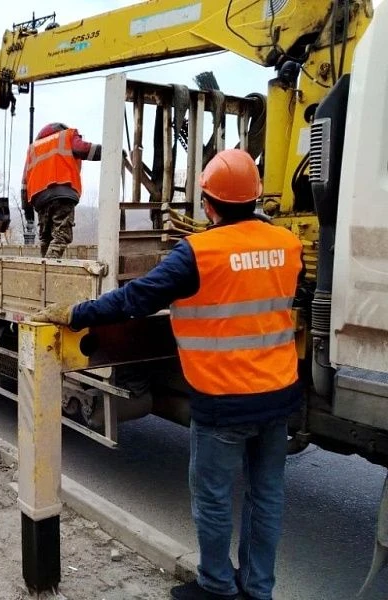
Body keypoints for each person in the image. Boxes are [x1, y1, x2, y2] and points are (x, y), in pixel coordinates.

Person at [31, 149, 303, 600]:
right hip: (278, 396)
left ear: (210, 205)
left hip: (224, 401)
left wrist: (76, 312)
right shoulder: (286, 243)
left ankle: (217, 587)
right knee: (266, 496)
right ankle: (258, 590)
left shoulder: (200, 253)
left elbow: (134, 299)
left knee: (214, 499)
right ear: (255, 199)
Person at [21, 122, 102, 259]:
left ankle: (44, 272)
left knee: (46, 239)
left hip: (40, 201)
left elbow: (24, 184)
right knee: (60, 236)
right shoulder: (67, 135)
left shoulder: (33, 148)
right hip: (63, 194)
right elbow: (83, 149)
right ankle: (50, 268)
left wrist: (28, 213)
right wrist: (112, 151)